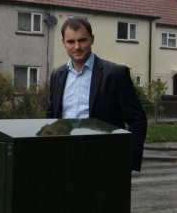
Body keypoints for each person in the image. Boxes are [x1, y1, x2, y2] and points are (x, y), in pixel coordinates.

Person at [46, 17, 147, 172]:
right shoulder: (57, 75)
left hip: (104, 163)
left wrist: (127, 160)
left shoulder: (115, 74)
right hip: (64, 161)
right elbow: (51, 118)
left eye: (82, 40)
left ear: (92, 39)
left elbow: (137, 120)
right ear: (63, 43)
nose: (77, 46)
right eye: (71, 42)